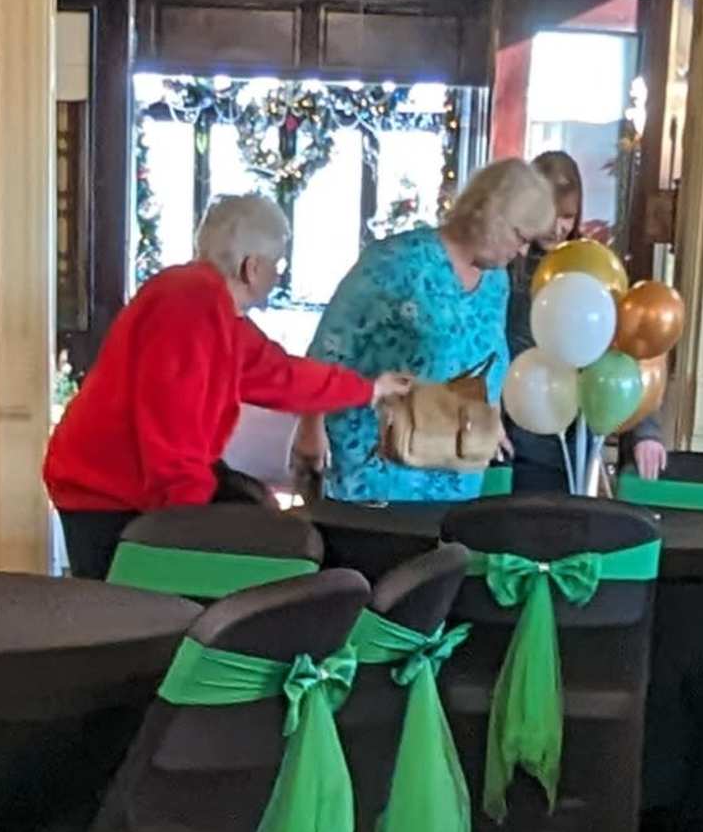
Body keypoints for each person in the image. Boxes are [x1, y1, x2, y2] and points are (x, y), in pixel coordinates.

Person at [40, 191, 394, 574]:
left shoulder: (211, 304)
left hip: (126, 479)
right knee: (128, 615)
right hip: (105, 488)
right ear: (252, 267)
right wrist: (189, 525)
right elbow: (172, 429)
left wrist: (370, 389)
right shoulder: (190, 304)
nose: (279, 274)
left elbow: (279, 374)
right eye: (278, 264)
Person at [305, 156, 556, 509]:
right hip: (377, 471)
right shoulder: (396, 261)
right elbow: (329, 349)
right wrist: (309, 428)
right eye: (520, 237)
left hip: (456, 469)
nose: (523, 251)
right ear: (493, 216)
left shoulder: (496, 281)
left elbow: (488, 357)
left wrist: (490, 421)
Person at [501, 146, 590, 491]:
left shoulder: (588, 265)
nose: (558, 227)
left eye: (568, 215)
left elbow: (619, 341)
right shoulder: (504, 263)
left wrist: (647, 432)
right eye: (550, 214)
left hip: (562, 434)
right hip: (503, 426)